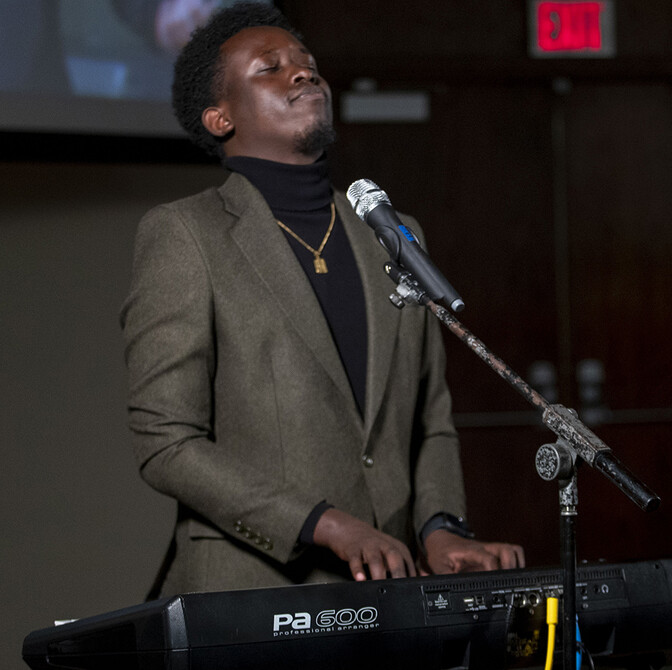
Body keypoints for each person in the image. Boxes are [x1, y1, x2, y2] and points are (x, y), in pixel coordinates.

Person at [121, 2, 523, 597]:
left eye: (308, 65)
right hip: (251, 596)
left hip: (388, 595)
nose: (304, 74)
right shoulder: (186, 234)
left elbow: (429, 419)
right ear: (219, 117)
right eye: (271, 68)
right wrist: (324, 524)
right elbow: (167, 443)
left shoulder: (392, 231)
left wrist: (441, 529)